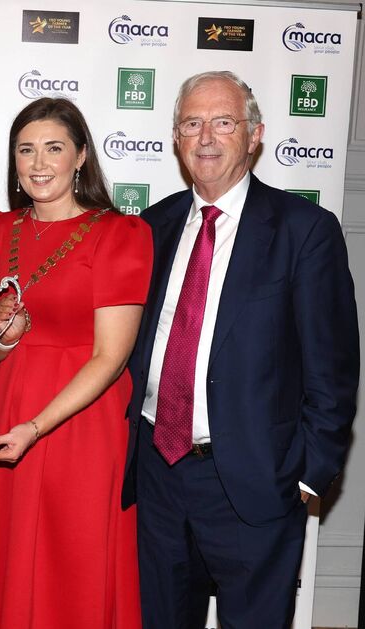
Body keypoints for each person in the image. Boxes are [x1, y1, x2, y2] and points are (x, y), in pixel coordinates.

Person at [122, 71, 359, 628]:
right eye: (191, 123)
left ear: (254, 134)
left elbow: (333, 370)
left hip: (255, 487)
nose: (206, 136)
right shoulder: (149, 228)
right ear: (176, 139)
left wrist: (308, 476)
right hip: (157, 480)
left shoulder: (305, 231)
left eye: (223, 122)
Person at [0, 98, 153, 628]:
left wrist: (36, 427)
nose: (38, 163)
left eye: (54, 148)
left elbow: (111, 357)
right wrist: (5, 335)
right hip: (10, 405)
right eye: (26, 150)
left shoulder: (121, 234)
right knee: (7, 558)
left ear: (81, 157)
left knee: (75, 564)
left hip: (82, 421)